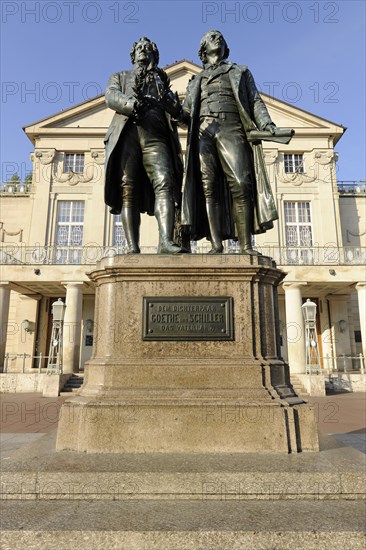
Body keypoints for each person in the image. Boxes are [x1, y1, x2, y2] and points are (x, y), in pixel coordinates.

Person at [181, 30, 279, 254]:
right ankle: (216, 245)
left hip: (231, 127)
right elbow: (186, 116)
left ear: (225, 47)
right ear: (203, 49)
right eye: (211, 36)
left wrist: (266, 124)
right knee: (208, 188)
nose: (217, 37)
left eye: (220, 37)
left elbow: (255, 101)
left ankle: (245, 246)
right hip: (203, 132)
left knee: (241, 183)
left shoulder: (239, 72)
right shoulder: (196, 81)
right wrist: (173, 110)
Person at [104, 37, 184, 254]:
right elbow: (111, 96)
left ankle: (166, 242)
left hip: (156, 135)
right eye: (139, 48)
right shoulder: (120, 76)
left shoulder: (162, 82)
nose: (143, 51)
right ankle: (132, 247)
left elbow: (182, 117)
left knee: (165, 182)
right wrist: (130, 104)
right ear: (133, 55)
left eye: (147, 48)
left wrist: (176, 109)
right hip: (127, 132)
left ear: (154, 55)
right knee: (127, 187)